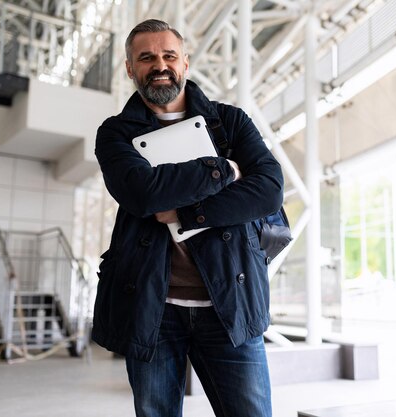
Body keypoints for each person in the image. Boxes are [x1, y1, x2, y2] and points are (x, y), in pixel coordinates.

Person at [92, 19, 283, 417]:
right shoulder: (115, 134)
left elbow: (268, 190)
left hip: (231, 302)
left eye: (168, 55)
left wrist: (187, 212)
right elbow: (142, 193)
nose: (159, 65)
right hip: (153, 310)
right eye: (146, 57)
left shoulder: (230, 122)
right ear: (130, 68)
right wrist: (223, 172)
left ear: (185, 63)